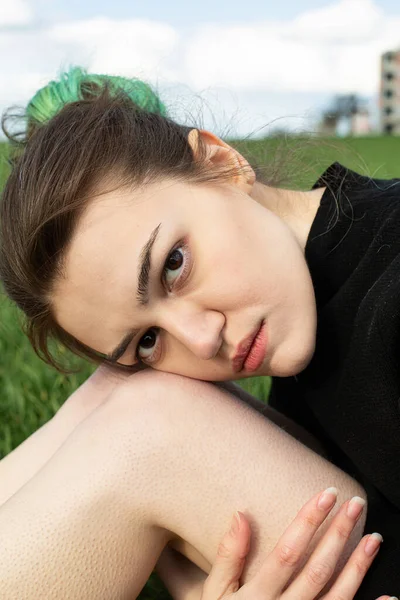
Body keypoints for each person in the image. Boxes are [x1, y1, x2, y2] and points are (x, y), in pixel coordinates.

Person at [0, 66, 398, 599]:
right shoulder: (317, 308)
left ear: (221, 162)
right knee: (116, 389)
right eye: (146, 342)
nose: (201, 339)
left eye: (174, 264)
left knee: (148, 423)